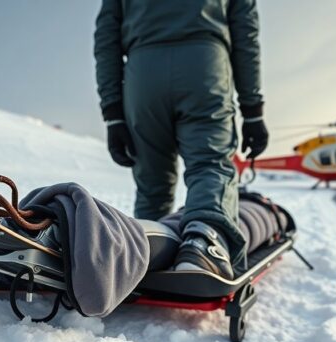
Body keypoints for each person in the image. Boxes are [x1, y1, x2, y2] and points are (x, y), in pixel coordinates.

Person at [94, 0, 269, 279]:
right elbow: (245, 32)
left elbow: (106, 39)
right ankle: (205, 244)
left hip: (143, 75)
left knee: (152, 183)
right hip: (204, 66)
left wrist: (113, 113)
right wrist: (252, 110)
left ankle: (145, 252)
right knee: (209, 164)